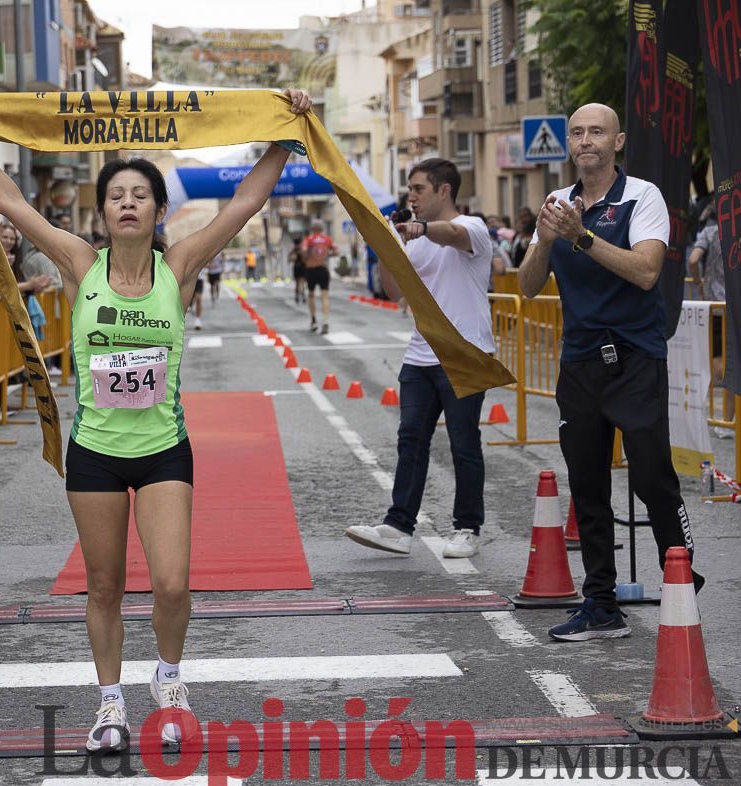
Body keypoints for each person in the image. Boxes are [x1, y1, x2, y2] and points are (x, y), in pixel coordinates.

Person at [0, 87, 314, 752]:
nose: (127, 202)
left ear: (157, 210)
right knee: (105, 585)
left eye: (140, 194)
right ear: (104, 210)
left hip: (163, 446)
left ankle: (168, 682)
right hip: (96, 452)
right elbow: (12, 203)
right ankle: (109, 703)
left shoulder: (180, 266)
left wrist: (289, 134)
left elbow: (245, 204)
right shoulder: (80, 264)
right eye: (117, 194)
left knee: (172, 582)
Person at [518, 103, 703, 642]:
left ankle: (682, 585)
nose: (586, 140)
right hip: (578, 362)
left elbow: (646, 272)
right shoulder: (557, 204)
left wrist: (580, 237)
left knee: (651, 478)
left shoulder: (642, 197)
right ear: (569, 144)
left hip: (634, 357)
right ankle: (601, 606)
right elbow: (529, 286)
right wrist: (548, 239)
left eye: (596, 131)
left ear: (617, 141)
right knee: (588, 486)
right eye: (576, 133)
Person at [345, 158, 494, 560]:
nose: (411, 196)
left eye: (418, 189)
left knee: (464, 444)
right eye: (409, 189)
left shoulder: (473, 228)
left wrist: (422, 230)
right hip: (420, 355)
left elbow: (454, 235)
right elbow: (395, 293)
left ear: (444, 190)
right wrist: (386, 249)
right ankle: (398, 526)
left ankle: (467, 527)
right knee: (410, 440)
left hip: (465, 354)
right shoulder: (416, 238)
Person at [689, 204, 734, 437]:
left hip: (716, 307)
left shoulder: (709, 233)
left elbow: (694, 259)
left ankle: (725, 423)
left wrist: (698, 282)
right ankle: (728, 419)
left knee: (720, 360)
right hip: (736, 304)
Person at [300, 220, 338, 334]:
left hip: (310, 270)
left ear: (312, 229)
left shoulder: (308, 239)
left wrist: (307, 258)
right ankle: (325, 321)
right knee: (324, 296)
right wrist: (326, 256)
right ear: (322, 229)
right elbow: (336, 251)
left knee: (311, 295)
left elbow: (303, 251)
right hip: (323, 269)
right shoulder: (327, 239)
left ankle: (314, 321)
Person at [290, 237, 306, 304]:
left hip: (296, 267)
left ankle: (297, 296)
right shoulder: (301, 250)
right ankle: (302, 296)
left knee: (298, 283)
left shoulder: (293, 250)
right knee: (301, 282)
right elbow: (305, 259)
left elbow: (290, 259)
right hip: (301, 267)